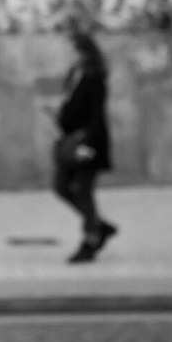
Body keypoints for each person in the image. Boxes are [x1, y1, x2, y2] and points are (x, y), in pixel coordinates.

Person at [53, 24, 116, 264]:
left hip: (87, 143)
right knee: (61, 187)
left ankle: (90, 241)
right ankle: (99, 226)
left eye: (71, 50)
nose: (67, 55)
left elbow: (97, 116)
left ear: (84, 52)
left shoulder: (94, 77)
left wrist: (89, 146)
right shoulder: (73, 75)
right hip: (68, 141)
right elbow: (72, 108)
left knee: (83, 191)